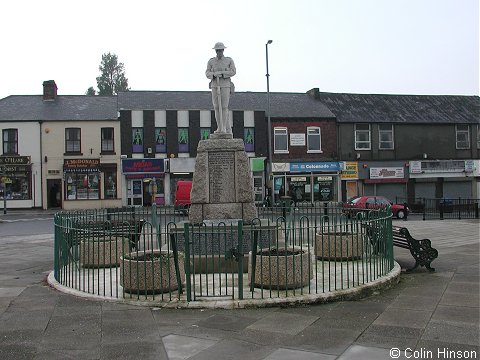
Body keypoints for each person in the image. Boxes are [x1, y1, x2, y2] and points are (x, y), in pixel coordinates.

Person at [205, 42, 236, 134]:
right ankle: (220, 127)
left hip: (225, 85)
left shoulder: (229, 60)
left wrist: (222, 73)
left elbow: (233, 71)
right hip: (215, 85)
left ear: (223, 50)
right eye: (217, 50)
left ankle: (225, 128)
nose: (218, 52)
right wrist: (213, 75)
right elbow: (207, 73)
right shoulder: (211, 61)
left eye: (220, 50)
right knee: (216, 107)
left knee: (224, 107)